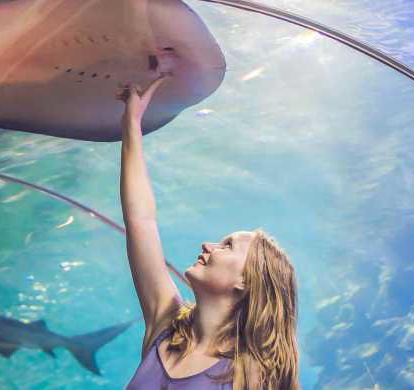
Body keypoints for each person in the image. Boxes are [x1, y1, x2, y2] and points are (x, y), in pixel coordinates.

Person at [117, 75, 299, 390]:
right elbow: (140, 220)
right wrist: (132, 121)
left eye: (227, 246)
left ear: (246, 280)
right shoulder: (166, 323)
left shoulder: (253, 375)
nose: (208, 245)